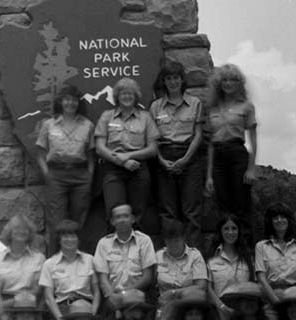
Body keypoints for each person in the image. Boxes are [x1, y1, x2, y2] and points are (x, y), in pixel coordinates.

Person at [150, 60, 205, 248]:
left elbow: (198, 135)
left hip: (189, 156)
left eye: (176, 78)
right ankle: (172, 256)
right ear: (163, 82)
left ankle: (193, 259)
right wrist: (161, 161)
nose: (173, 82)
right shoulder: (156, 107)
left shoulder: (195, 103)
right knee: (168, 212)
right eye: (169, 78)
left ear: (182, 81)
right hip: (163, 157)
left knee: (192, 211)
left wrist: (185, 159)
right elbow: (152, 139)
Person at [35, 84, 95, 254]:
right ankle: (55, 263)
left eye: (74, 100)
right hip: (56, 175)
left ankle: (79, 263)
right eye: (67, 99)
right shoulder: (49, 125)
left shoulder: (87, 125)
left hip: (80, 176)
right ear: (61, 102)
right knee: (56, 223)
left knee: (79, 222)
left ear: (79, 103)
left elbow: (91, 155)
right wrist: (47, 174)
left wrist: (89, 176)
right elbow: (40, 153)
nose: (70, 103)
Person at [94, 76, 159, 220]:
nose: (127, 96)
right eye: (123, 93)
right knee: (114, 213)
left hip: (138, 169)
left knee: (137, 214)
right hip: (112, 169)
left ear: (136, 96)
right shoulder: (107, 116)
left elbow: (153, 149)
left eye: (130, 93)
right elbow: (99, 147)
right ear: (117, 96)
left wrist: (128, 157)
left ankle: (137, 242)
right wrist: (121, 161)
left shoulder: (145, 117)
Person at [204, 63, 257, 226]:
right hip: (218, 156)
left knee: (241, 204)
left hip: (238, 155)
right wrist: (209, 176)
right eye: (225, 80)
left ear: (239, 83)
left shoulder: (246, 106)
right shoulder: (212, 108)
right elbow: (211, 143)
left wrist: (251, 168)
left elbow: (253, 140)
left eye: (232, 80)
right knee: (222, 205)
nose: (228, 84)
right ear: (219, 83)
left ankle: (245, 247)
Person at [94, 204, 156, 320]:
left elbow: (148, 277)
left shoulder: (144, 240)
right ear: (112, 221)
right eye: (118, 217)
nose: (122, 220)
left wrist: (124, 294)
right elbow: (102, 278)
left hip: (139, 295)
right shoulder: (103, 243)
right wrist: (111, 296)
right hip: (112, 297)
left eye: (125, 216)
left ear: (132, 219)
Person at [38, 219, 99, 320]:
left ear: (78, 239)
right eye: (65, 236)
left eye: (73, 236)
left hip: (86, 308)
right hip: (62, 309)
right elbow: (48, 297)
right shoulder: (49, 264)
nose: (70, 240)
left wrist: (93, 314)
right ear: (59, 240)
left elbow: (96, 291)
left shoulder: (90, 260)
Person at [254, 203, 296, 306]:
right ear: (270, 221)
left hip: (295, 300)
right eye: (275, 218)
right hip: (270, 300)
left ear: (289, 220)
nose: (280, 220)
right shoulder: (261, 246)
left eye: (283, 217)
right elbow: (261, 279)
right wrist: (277, 303)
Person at [0, 214, 46, 310]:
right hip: (2, 306)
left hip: (29, 308)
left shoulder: (39, 259)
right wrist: (1, 310)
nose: (21, 231)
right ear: (9, 232)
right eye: (17, 228)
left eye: (25, 229)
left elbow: (39, 290)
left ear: (30, 233)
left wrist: (15, 301)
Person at [154, 220, 209, 318]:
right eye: (169, 240)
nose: (173, 244)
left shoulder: (195, 256)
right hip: (165, 308)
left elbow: (201, 287)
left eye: (176, 240)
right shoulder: (158, 256)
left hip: (191, 307)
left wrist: (174, 293)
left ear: (183, 238)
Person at [206, 212, 255, 318]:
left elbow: (252, 285)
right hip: (219, 312)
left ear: (239, 231)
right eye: (226, 228)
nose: (230, 232)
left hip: (245, 312)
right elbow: (208, 289)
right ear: (220, 231)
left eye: (234, 228)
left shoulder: (248, 257)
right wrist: (223, 308)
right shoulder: (211, 256)